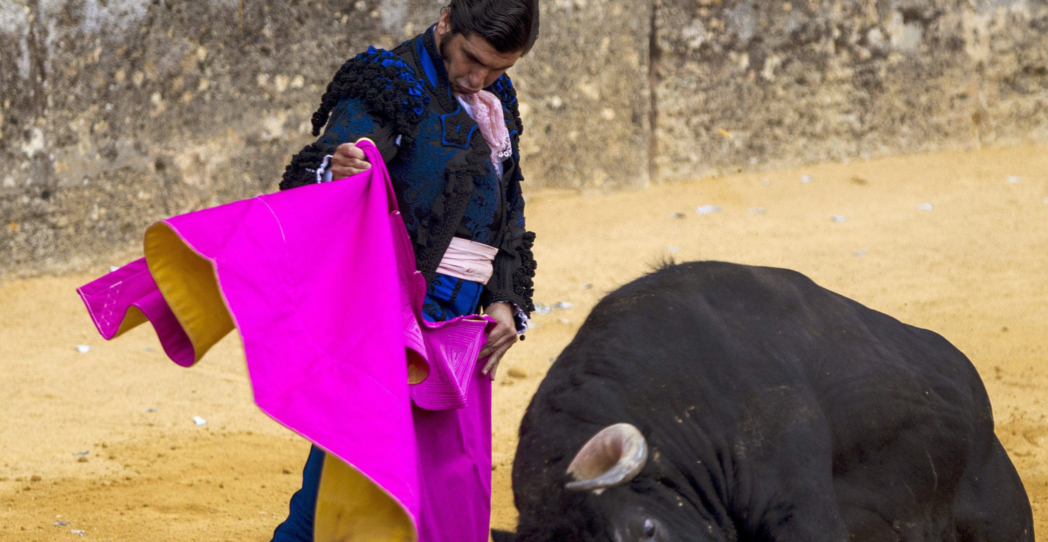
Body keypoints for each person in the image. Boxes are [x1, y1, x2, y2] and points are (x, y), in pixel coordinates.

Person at [270, 1, 539, 540]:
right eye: (471, 59)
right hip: (389, 310)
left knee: (445, 479)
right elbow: (312, 178)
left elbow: (506, 204)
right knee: (349, 477)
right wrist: (336, 170)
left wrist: (506, 298)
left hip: (464, 324)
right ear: (445, 22)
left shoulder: (496, 97)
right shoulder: (387, 81)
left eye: (497, 69)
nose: (479, 77)